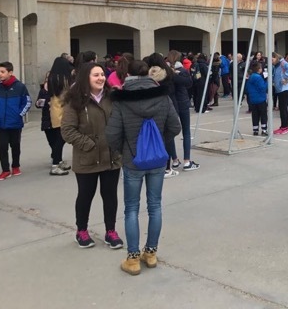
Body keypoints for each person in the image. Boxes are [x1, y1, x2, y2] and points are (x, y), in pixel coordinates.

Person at [106, 59, 181, 276]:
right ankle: (151, 253)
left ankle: (133, 258)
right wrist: (159, 143)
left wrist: (123, 150)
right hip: (157, 160)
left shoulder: (121, 100)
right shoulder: (163, 97)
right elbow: (175, 126)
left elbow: (112, 134)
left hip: (132, 161)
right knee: (155, 205)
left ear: (127, 75)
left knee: (131, 208)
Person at [61, 62, 123, 249]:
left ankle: (111, 231)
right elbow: (67, 131)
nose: (101, 78)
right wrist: (89, 144)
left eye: (102, 74)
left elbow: (120, 122)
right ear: (85, 78)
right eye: (96, 75)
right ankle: (81, 230)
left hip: (111, 157)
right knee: (85, 195)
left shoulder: (112, 97)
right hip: (87, 158)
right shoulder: (75, 101)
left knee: (110, 195)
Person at [0, 62, 31, 181]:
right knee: (2, 147)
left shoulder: (20, 87)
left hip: (15, 123)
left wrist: (19, 114)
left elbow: (27, 102)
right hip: (0, 123)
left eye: (2, 72)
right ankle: (5, 170)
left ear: (10, 72)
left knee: (15, 145)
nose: (0, 74)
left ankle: (15, 166)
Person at [41, 57, 75, 175]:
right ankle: (55, 164)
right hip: (62, 111)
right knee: (60, 140)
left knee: (58, 139)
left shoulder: (51, 79)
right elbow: (67, 96)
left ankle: (58, 161)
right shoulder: (64, 80)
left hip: (54, 112)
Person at [167, 50, 198, 171]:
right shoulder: (182, 71)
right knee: (186, 131)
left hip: (171, 103)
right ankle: (186, 161)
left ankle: (175, 160)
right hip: (182, 101)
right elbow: (189, 83)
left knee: (170, 133)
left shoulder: (165, 72)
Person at [271, 51, 288, 135]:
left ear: (276, 57)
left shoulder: (282, 63)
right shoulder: (276, 66)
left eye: (272, 59)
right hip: (280, 89)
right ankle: (283, 126)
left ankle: (285, 127)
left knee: (283, 108)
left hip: (284, 89)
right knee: (282, 108)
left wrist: (285, 77)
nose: (271, 61)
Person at [247, 61, 268, 136]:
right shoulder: (258, 77)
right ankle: (264, 129)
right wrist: (267, 81)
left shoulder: (251, 76)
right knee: (263, 115)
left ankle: (255, 130)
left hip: (253, 99)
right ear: (259, 69)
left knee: (255, 115)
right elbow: (263, 88)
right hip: (260, 99)